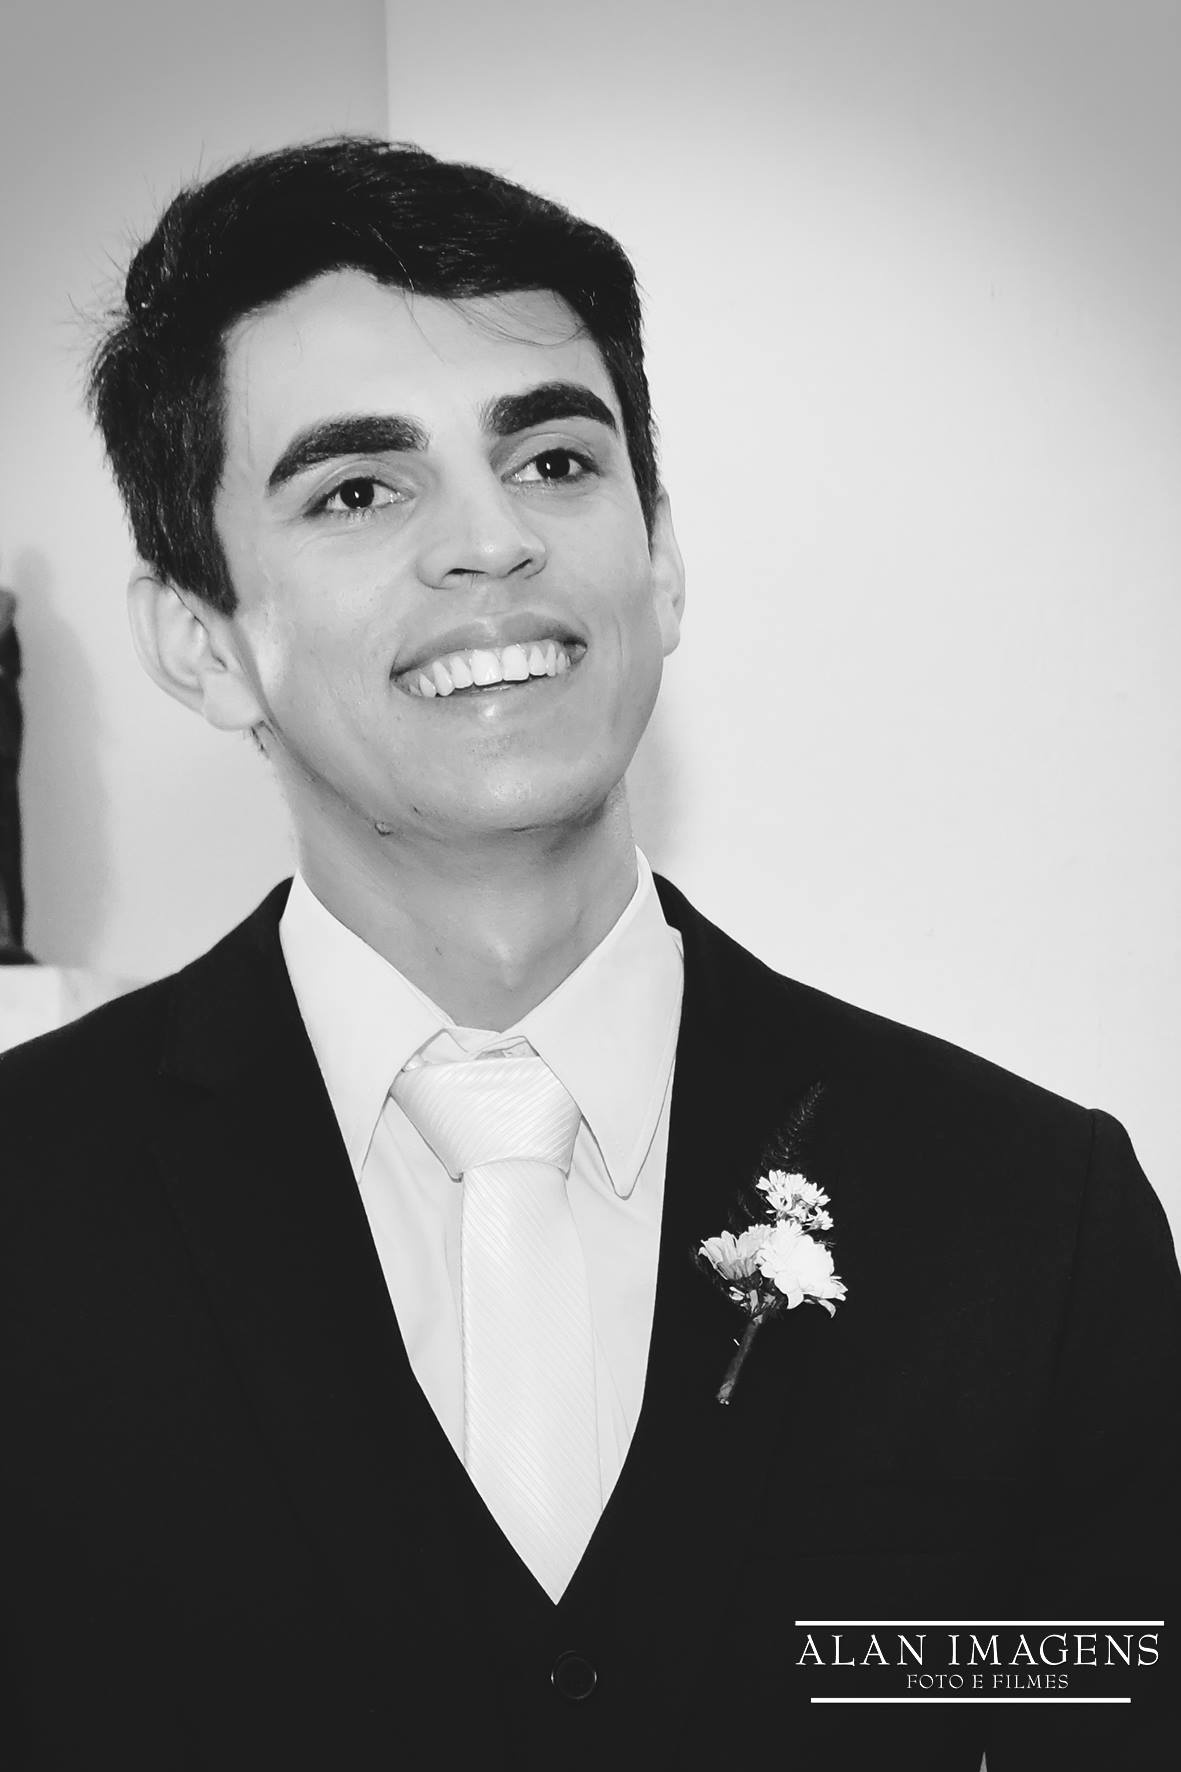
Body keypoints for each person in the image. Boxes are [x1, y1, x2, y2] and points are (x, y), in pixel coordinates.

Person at [2, 137, 1177, 1771]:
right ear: (201, 643)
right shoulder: (28, 1207)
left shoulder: (1027, 1216)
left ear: (661, 557)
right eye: (358, 490)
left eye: (554, 460)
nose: (491, 542)